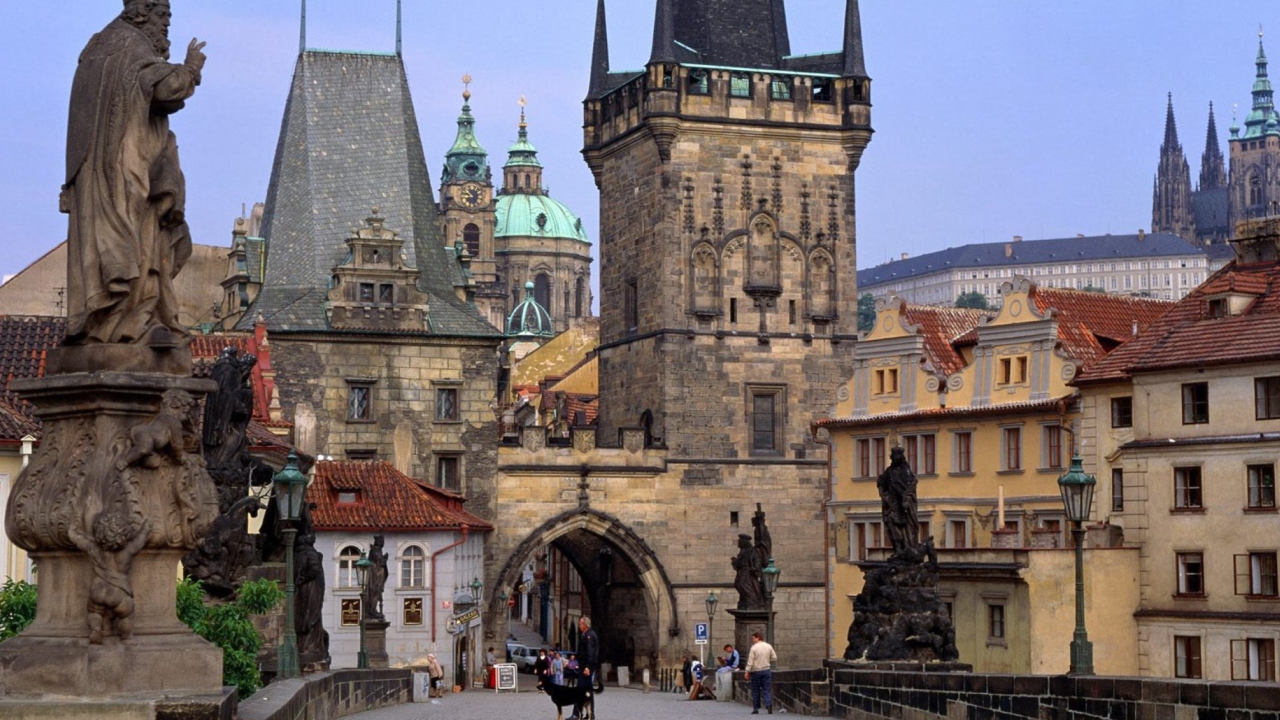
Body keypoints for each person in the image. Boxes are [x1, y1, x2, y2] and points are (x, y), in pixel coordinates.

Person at [63, 0, 207, 346]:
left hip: (93, 171)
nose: (166, 26)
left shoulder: (99, 48)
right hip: (122, 171)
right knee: (136, 240)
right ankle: (131, 324)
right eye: (162, 17)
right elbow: (164, 90)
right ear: (141, 14)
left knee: (113, 246)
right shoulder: (130, 45)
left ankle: (105, 323)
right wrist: (191, 69)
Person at [569, 616, 599, 720]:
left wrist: (587, 667)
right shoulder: (586, 635)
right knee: (586, 691)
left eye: (580, 624)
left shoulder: (589, 636)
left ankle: (577, 714)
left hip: (586, 668)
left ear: (585, 625)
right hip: (584, 667)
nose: (579, 625)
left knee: (581, 690)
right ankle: (590, 714)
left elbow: (590, 653)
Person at [744, 631, 777, 715]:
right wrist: (767, 661)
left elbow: (750, 661)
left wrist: (747, 671)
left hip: (756, 671)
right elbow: (774, 658)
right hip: (766, 670)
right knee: (766, 689)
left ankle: (756, 708)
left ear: (757, 637)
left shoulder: (754, 648)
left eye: (753, 638)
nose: (752, 640)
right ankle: (768, 705)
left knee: (755, 690)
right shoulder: (768, 646)